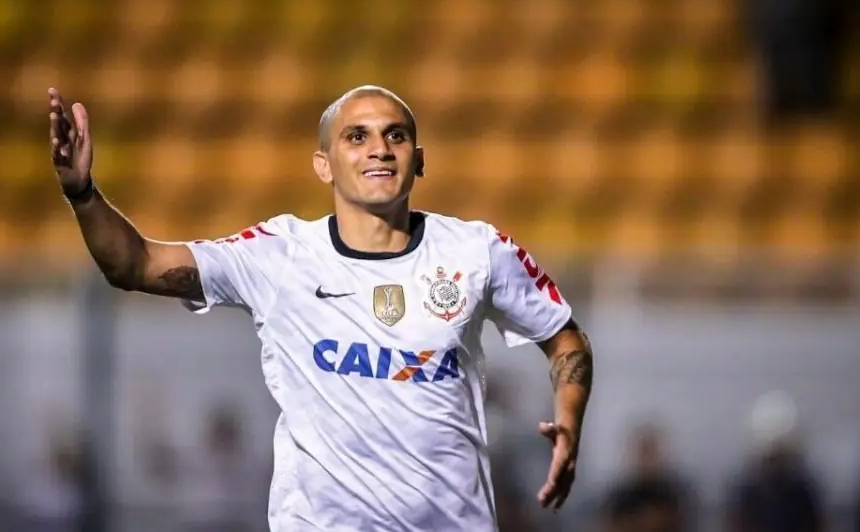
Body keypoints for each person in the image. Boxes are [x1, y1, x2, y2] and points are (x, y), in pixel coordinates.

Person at [47, 84, 594, 531]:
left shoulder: (477, 251)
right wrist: (82, 193)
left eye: (396, 135)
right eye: (357, 136)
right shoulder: (280, 255)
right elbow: (136, 265)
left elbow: (563, 336)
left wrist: (569, 424)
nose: (379, 148)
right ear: (324, 165)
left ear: (419, 160)